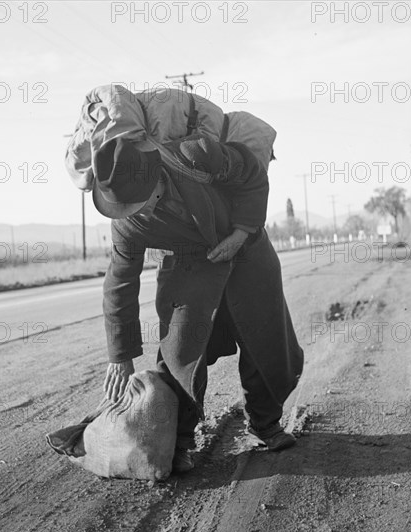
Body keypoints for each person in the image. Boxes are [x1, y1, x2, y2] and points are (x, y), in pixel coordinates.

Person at [93, 134, 304, 472]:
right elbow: (119, 282)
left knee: (266, 341)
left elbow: (252, 174)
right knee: (179, 354)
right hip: (188, 266)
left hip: (247, 249)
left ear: (156, 176)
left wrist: (241, 232)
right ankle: (176, 440)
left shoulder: (195, 155)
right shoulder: (127, 224)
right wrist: (120, 356)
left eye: (137, 202)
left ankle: (265, 423)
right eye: (125, 207)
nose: (135, 212)